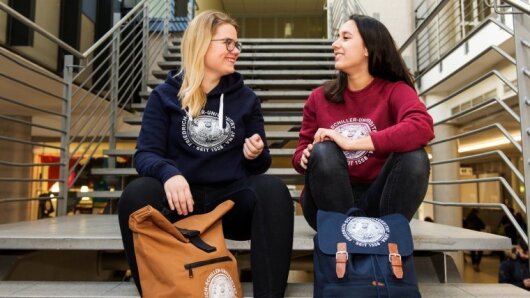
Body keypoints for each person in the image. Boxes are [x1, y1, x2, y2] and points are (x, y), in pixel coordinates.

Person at [118, 10, 294, 297]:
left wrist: (256, 153)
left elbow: (261, 165)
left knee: (273, 190)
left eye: (237, 44)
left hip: (227, 206)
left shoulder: (246, 99)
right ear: (202, 43)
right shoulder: (164, 96)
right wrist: (169, 174)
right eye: (228, 43)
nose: (235, 51)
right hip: (180, 204)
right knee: (135, 195)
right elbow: (145, 155)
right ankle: (154, 290)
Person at [292, 15, 434, 230]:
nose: (335, 44)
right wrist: (304, 157)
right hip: (327, 203)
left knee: (415, 156)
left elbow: (422, 126)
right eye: (337, 38)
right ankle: (343, 233)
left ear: (367, 48)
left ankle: (387, 233)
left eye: (345, 38)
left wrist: (351, 143)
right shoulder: (319, 97)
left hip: (379, 199)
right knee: (323, 151)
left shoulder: (395, 91)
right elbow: (299, 153)